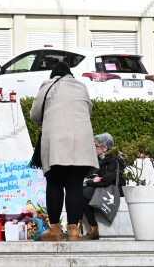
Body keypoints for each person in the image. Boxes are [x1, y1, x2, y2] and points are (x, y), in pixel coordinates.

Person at [30, 62, 98, 242]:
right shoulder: (81, 86)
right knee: (75, 185)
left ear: (53, 74)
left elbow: (35, 115)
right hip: (81, 142)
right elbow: (88, 112)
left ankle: (55, 231)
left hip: (56, 143)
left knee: (55, 184)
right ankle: (74, 231)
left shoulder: (48, 85)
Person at [82, 132, 125, 240]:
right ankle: (84, 226)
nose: (93, 148)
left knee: (85, 192)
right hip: (102, 187)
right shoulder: (99, 159)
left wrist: (89, 182)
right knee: (80, 191)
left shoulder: (114, 160)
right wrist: (92, 180)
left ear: (104, 148)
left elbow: (107, 180)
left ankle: (93, 226)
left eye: (96, 146)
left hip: (112, 189)